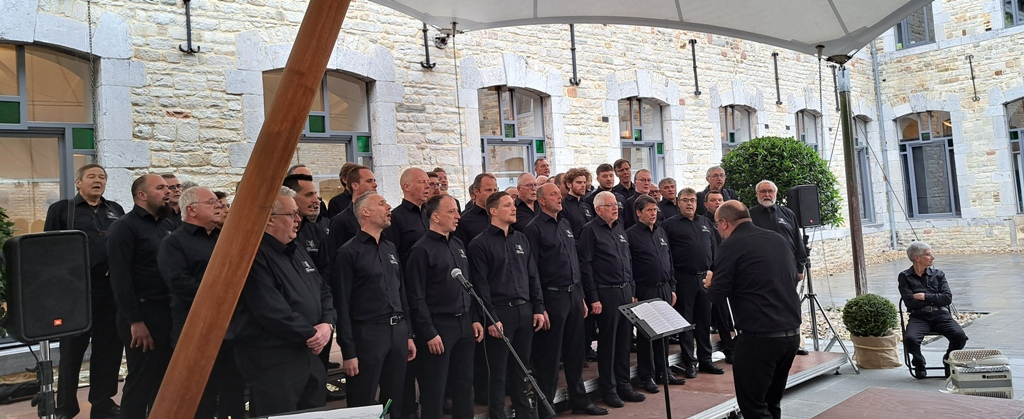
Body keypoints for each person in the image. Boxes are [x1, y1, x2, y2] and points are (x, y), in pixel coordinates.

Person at [230, 187, 336, 416]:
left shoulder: (296, 249)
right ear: (269, 220)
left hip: (309, 356)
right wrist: (313, 334)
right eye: (292, 214)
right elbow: (270, 310)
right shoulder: (253, 256)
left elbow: (323, 290)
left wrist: (327, 324)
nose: (298, 220)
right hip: (274, 360)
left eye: (298, 213)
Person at [705, 201, 801, 419]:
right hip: (790, 333)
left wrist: (710, 283)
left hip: (759, 338)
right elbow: (792, 277)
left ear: (724, 223)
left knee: (754, 407)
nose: (718, 230)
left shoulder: (731, 245)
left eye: (717, 225)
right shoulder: (777, 239)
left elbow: (717, 295)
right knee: (772, 402)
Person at [45, 164, 126, 419]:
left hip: (109, 291)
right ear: (78, 182)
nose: (97, 180)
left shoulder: (115, 210)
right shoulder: (62, 209)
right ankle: (65, 407)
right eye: (91, 176)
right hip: (76, 293)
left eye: (102, 177)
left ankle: (102, 402)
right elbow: (49, 250)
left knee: (109, 349)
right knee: (71, 352)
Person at [157, 186, 244, 418]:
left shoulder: (222, 238)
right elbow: (179, 283)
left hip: (231, 328)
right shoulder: (173, 243)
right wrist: (224, 294)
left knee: (233, 391)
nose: (219, 206)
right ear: (191, 210)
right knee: (201, 397)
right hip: (196, 330)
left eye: (218, 202)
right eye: (211, 202)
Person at [523, 184, 608, 418]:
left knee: (575, 352)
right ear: (541, 201)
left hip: (573, 295)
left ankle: (580, 400)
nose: (559, 197)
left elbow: (575, 262)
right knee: (550, 356)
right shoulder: (534, 229)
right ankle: (546, 407)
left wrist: (581, 296)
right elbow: (533, 271)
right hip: (552, 297)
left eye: (559, 194)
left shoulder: (565, 223)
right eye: (553, 194)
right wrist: (539, 305)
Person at [333, 192, 417, 416]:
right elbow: (342, 304)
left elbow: (401, 292)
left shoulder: (390, 248)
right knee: (363, 398)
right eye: (381, 204)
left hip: (397, 331)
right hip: (368, 334)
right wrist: (348, 351)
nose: (389, 207)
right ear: (365, 212)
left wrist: (408, 334)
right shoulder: (348, 252)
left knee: (394, 397)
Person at [405, 194, 485, 419]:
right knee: (435, 387)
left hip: (464, 322)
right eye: (451, 212)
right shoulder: (421, 250)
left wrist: (475, 318)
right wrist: (429, 331)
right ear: (435, 216)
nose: (458, 216)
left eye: (457, 211)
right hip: (439, 325)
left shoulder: (458, 244)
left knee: (464, 384)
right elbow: (416, 296)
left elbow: (468, 285)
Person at [468, 192, 545, 419]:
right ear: (493, 211)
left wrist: (538, 307)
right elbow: (480, 285)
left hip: (524, 309)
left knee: (521, 367)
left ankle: (523, 412)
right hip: (500, 312)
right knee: (498, 370)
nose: (514, 208)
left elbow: (533, 275)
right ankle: (497, 414)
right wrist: (491, 318)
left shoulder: (521, 239)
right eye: (508, 205)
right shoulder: (479, 244)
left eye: (513, 205)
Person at [106, 174, 173, 418]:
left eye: (167, 187)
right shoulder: (124, 228)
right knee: (141, 381)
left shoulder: (167, 224)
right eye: (160, 188)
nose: (168, 191)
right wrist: (135, 321)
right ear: (142, 195)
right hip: (143, 314)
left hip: (167, 312)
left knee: (164, 381)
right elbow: (120, 279)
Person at [579, 191, 645, 408]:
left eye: (616, 204)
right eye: (610, 205)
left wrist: (632, 289)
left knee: (625, 340)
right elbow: (586, 266)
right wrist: (593, 297)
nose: (615, 208)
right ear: (598, 209)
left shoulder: (619, 228)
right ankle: (609, 388)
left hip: (625, 290)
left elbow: (628, 260)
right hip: (605, 293)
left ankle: (624, 384)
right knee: (608, 342)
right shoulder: (590, 231)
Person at [662, 188, 723, 378]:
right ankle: (689, 362)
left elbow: (713, 249)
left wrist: (714, 272)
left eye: (692, 200)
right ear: (678, 202)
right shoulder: (669, 225)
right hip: (684, 278)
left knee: (704, 321)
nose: (689, 203)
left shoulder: (705, 222)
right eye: (685, 200)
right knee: (686, 322)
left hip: (704, 278)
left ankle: (706, 360)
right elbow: (666, 255)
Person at [625, 195, 684, 391]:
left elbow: (669, 259)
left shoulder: (661, 231)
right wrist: (633, 291)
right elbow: (629, 265)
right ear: (638, 212)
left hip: (664, 287)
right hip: (645, 288)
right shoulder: (631, 235)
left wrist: (672, 287)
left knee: (664, 332)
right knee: (646, 335)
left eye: (655, 210)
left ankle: (663, 371)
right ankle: (647, 375)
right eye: (649, 210)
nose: (653, 213)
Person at [749, 180, 809, 355]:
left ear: (776, 194)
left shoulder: (788, 214)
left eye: (770, 191)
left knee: (790, 306)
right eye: (763, 192)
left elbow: (798, 241)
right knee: (765, 307)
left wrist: (800, 268)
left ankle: (794, 343)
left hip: (787, 270)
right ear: (757, 194)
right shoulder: (750, 215)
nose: (767, 195)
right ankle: (768, 345)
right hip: (761, 271)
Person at [899, 242, 968, 378]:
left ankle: (948, 360)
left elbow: (947, 298)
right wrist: (936, 297)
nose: (933, 257)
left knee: (960, 337)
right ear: (918, 258)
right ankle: (919, 363)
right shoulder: (905, 276)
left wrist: (925, 296)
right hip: (918, 316)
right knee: (910, 339)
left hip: (940, 314)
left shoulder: (938, 274)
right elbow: (910, 302)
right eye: (928, 255)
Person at [701, 189, 734, 362]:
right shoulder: (704, 222)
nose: (717, 203)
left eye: (720, 200)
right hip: (714, 271)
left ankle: (735, 344)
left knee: (731, 311)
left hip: (730, 268)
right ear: (706, 204)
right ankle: (727, 348)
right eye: (713, 200)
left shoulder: (729, 221)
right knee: (718, 312)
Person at [327, 165, 378, 255]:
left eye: (374, 180)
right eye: (369, 181)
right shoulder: (340, 220)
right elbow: (334, 255)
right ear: (355, 186)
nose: (375, 185)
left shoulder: (379, 216)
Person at [455, 173, 498, 246]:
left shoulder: (501, 215)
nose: (493, 194)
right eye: (488, 190)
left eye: (495, 190)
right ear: (476, 192)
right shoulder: (464, 220)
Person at [561, 167, 594, 238]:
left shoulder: (586, 206)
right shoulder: (563, 206)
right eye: (579, 182)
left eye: (584, 182)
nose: (583, 185)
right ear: (569, 184)